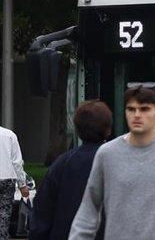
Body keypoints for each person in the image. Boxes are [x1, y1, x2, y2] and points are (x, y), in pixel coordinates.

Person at [69, 83, 155, 240]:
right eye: (131, 109)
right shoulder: (107, 154)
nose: (137, 115)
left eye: (144, 109)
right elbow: (89, 208)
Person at [30, 99, 112, 240]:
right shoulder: (116, 161)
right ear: (108, 129)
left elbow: (42, 212)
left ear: (77, 129)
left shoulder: (61, 164)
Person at [0, 115, 29, 231]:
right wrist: (22, 185)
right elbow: (17, 163)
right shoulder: (9, 135)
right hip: (7, 179)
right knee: (4, 214)